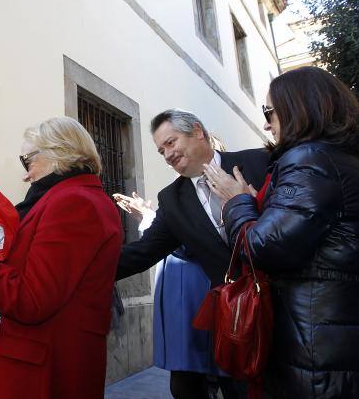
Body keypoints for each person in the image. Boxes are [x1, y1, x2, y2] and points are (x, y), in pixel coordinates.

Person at [203, 66, 359, 397]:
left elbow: (265, 247)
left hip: (317, 344)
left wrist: (237, 202)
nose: (265, 123)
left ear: (298, 106)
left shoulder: (310, 158)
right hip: (350, 334)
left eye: (269, 111)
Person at [0, 116, 122, 398]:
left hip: (41, 371)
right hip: (43, 360)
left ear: (59, 153)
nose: (25, 174)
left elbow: (32, 299)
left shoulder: (73, 202)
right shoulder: (70, 198)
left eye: (28, 161)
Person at [115, 109, 269, 399]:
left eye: (171, 143)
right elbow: (142, 252)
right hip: (240, 322)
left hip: (289, 309)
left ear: (197, 131)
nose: (167, 155)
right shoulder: (172, 200)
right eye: (161, 151)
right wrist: (80, 267)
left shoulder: (259, 162)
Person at [115, 134, 229, 398]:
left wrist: (147, 218)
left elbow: (192, 242)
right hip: (181, 290)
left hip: (195, 292)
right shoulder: (180, 191)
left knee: (194, 371)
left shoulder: (216, 189)